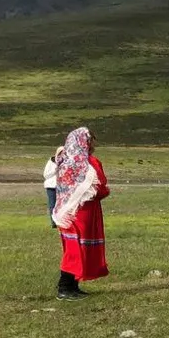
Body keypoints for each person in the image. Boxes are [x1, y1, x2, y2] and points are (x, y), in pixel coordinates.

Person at [51, 127, 110, 300]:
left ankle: (72, 286)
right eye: (90, 140)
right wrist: (106, 192)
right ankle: (64, 287)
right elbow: (99, 187)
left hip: (67, 212)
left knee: (73, 249)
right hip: (82, 213)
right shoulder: (88, 164)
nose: (92, 144)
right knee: (76, 250)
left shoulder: (65, 161)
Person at [42, 146, 64, 228]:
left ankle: (61, 221)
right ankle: (53, 222)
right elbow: (46, 175)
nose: (63, 154)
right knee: (53, 204)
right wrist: (56, 169)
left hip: (62, 187)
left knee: (62, 205)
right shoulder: (51, 161)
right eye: (61, 152)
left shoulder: (67, 162)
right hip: (51, 186)